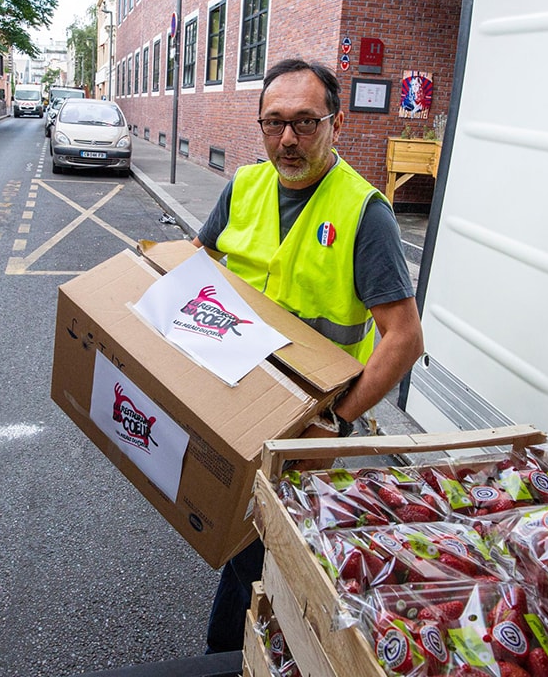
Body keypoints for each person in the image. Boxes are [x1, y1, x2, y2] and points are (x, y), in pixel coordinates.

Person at [193, 58, 425, 653]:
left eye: (305, 122)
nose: (288, 139)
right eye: (274, 123)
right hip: (238, 399)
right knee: (248, 546)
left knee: (270, 555)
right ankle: (246, 649)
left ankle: (244, 655)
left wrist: (338, 420)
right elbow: (195, 268)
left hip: (310, 425)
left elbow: (403, 337)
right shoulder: (244, 185)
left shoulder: (362, 211)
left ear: (336, 123)